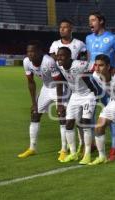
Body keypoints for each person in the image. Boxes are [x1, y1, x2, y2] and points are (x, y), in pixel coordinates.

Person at [86, 11, 115, 161]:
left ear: (101, 21)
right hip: (93, 80)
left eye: (93, 20)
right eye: (89, 20)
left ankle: (114, 147)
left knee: (110, 114)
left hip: (107, 82)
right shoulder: (88, 38)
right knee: (89, 113)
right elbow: (90, 59)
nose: (90, 23)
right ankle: (91, 144)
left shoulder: (112, 38)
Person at [18, 41, 65, 159]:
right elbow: (31, 82)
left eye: (33, 51)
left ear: (39, 52)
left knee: (62, 116)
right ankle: (32, 148)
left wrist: (59, 104)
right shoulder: (26, 62)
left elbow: (59, 82)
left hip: (59, 87)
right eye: (28, 51)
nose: (30, 54)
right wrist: (34, 103)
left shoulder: (48, 61)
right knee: (34, 114)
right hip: (46, 88)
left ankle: (64, 149)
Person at [49, 18, 87, 161]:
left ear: (71, 29)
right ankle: (64, 148)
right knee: (63, 115)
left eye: (65, 27)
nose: (62, 29)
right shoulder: (55, 44)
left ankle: (83, 146)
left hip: (75, 83)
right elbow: (56, 63)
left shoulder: (79, 44)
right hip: (61, 83)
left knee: (79, 118)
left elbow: (83, 62)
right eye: (60, 27)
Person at [56, 47, 96, 163]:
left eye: (62, 55)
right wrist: (60, 103)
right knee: (69, 123)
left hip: (88, 95)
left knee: (85, 123)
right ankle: (73, 153)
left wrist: (89, 75)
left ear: (69, 57)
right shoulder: (60, 66)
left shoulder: (79, 64)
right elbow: (61, 81)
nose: (59, 58)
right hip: (75, 95)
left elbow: (95, 67)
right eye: (58, 55)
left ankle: (87, 154)